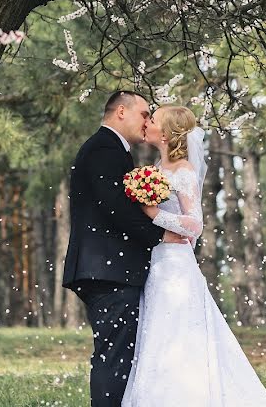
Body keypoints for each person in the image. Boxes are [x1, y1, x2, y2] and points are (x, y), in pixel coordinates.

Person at [121, 106, 266, 406]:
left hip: (176, 266)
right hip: (157, 261)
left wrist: (154, 215)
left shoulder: (183, 171)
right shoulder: (157, 169)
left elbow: (195, 224)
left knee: (178, 329)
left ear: (164, 134)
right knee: (157, 332)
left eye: (152, 120)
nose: (147, 122)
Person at [62, 91, 194, 407]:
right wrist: (160, 235)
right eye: (144, 114)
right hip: (108, 270)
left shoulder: (110, 149)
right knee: (115, 356)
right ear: (122, 112)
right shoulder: (105, 149)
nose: (148, 121)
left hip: (108, 268)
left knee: (120, 354)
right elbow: (115, 207)